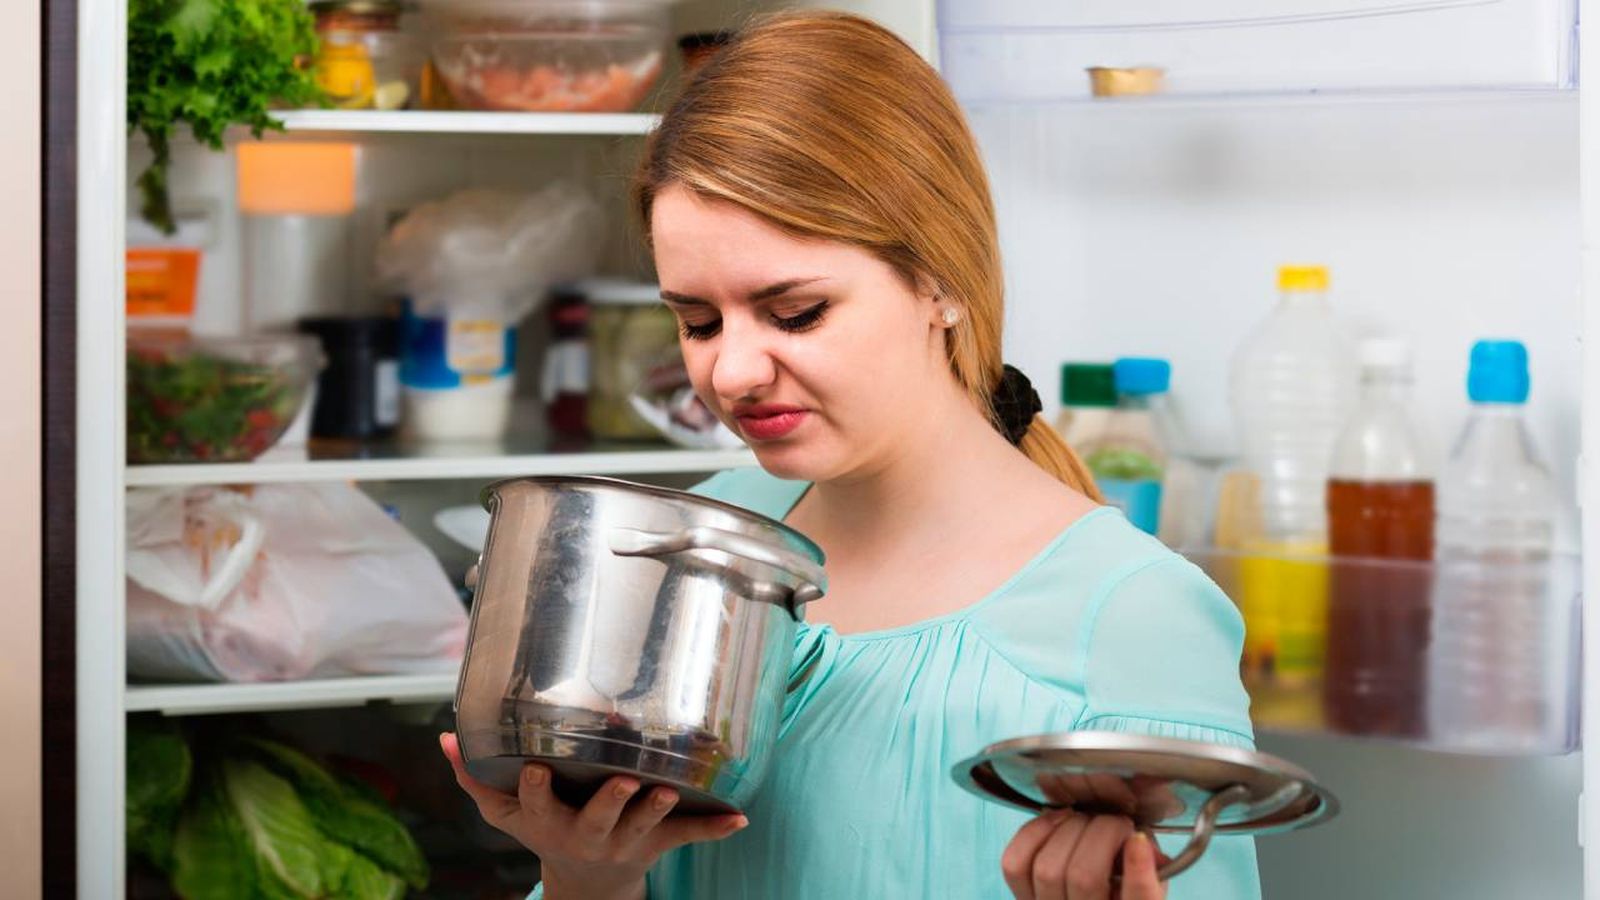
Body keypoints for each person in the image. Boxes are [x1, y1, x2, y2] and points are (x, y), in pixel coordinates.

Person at [441, 11, 1259, 899]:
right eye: (698, 322)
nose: (732, 372)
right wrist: (583, 876)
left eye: (796, 313)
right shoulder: (710, 535)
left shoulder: (1135, 617)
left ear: (940, 281)